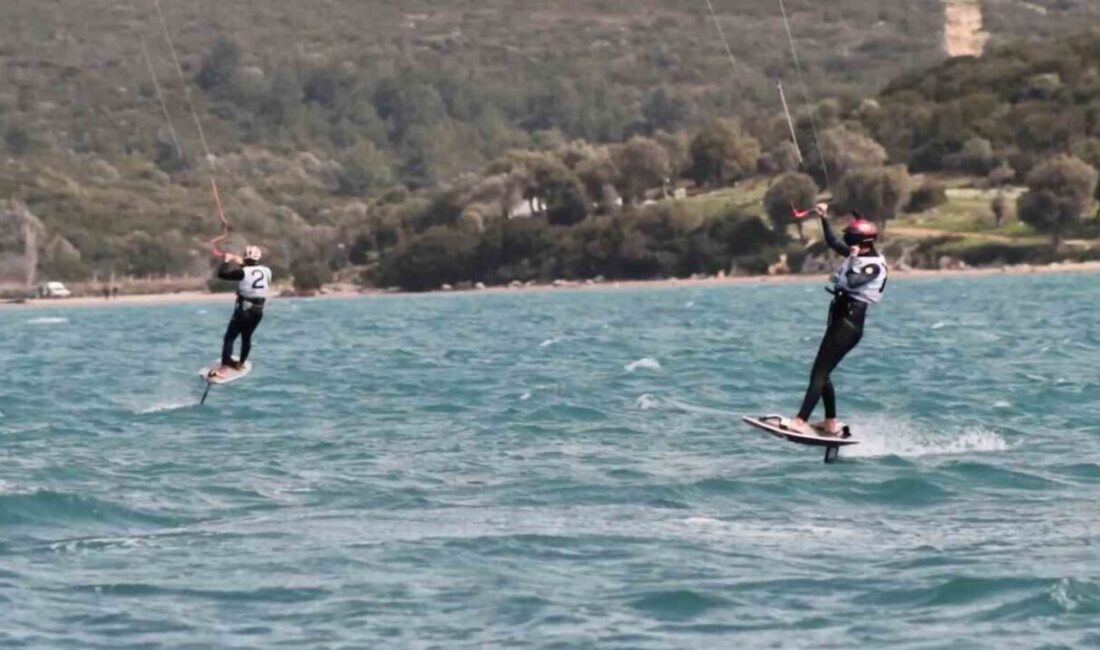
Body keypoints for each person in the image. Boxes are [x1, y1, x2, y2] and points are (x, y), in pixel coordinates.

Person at [785, 204, 887, 437]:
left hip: (849, 324)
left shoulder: (872, 265)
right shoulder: (858, 253)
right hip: (840, 320)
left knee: (819, 373)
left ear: (861, 242)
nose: (847, 242)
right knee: (823, 372)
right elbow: (832, 242)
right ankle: (830, 423)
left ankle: (800, 421)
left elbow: (851, 282)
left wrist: (853, 258)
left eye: (850, 238)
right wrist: (824, 218)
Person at [212, 245, 271, 377]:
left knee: (230, 337)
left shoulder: (243, 272)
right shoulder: (267, 271)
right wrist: (242, 264)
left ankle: (223, 369)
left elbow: (222, 274)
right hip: (258, 311)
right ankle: (241, 363)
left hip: (244, 310)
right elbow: (252, 274)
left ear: (245, 256)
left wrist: (226, 261)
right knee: (247, 337)